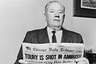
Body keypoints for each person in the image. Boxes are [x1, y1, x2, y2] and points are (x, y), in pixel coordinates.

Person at [14, 1, 89, 64]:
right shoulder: (31, 36)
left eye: (60, 12)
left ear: (64, 17)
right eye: (52, 11)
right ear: (45, 16)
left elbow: (82, 60)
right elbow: (18, 61)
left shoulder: (76, 38)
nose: (57, 15)